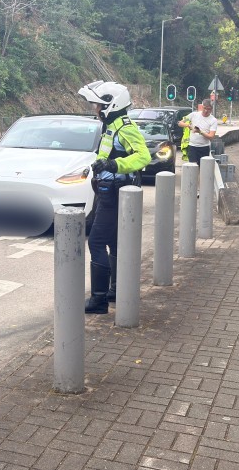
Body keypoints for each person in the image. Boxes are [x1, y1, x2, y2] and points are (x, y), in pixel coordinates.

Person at [77, 80, 150, 314]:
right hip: (107, 190)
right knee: (113, 242)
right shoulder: (113, 125)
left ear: (111, 104)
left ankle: (99, 301)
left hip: (116, 193)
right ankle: (116, 290)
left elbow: (143, 156)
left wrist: (114, 164)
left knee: (96, 241)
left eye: (97, 105)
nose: (95, 109)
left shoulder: (125, 127)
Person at [177, 99, 218, 163]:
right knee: (193, 167)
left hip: (204, 147)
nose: (206, 111)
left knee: (203, 168)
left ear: (212, 109)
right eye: (204, 108)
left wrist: (200, 132)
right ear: (202, 106)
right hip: (192, 146)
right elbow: (180, 123)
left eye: (209, 109)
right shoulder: (193, 115)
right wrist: (188, 125)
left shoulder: (213, 120)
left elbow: (211, 136)